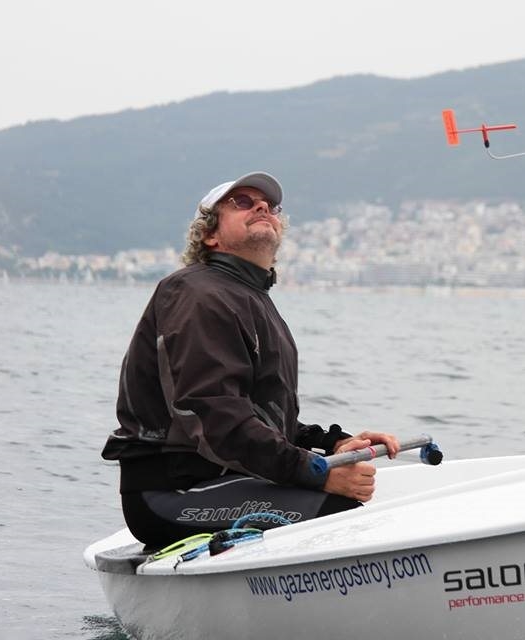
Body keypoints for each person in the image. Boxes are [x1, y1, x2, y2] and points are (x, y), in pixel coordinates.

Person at [101, 171, 399, 549]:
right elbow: (217, 418)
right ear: (210, 235)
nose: (262, 207)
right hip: (174, 493)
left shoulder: (250, 298)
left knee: (360, 508)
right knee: (338, 515)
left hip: (226, 478)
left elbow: (259, 416)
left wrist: (333, 444)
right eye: (242, 202)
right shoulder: (197, 294)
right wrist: (317, 473)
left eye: (270, 206)